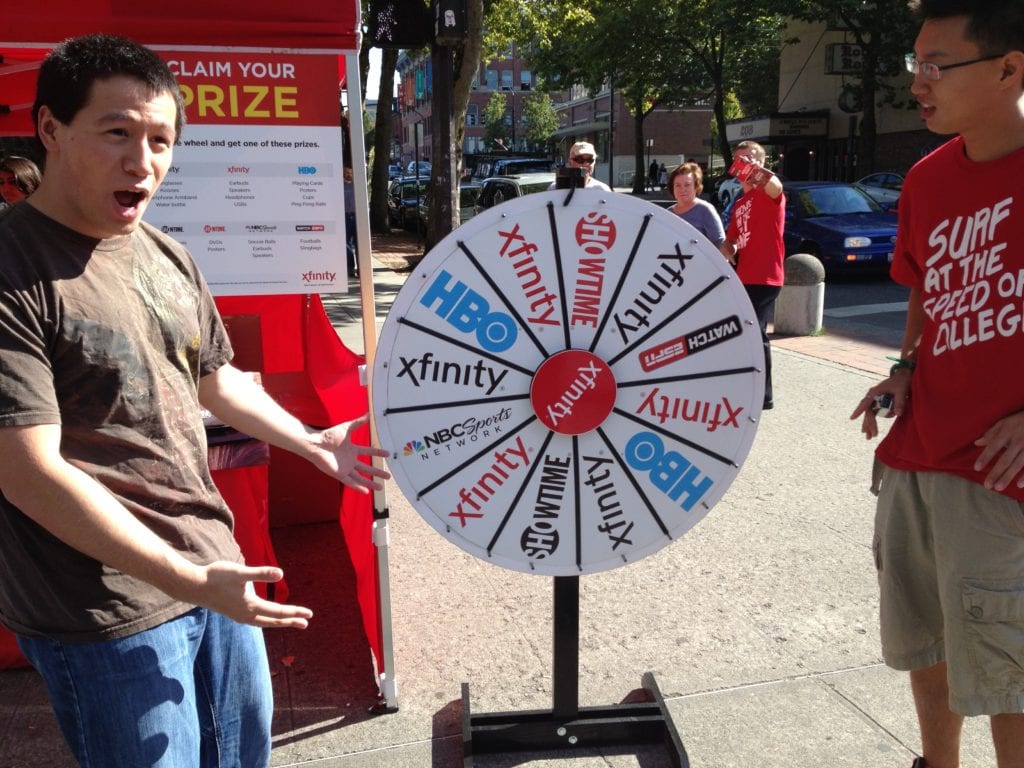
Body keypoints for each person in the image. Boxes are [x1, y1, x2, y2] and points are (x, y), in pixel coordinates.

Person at [0, 34, 390, 768]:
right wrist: (187, 580)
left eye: (160, 139)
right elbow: (26, 471)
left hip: (214, 568)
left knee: (244, 757)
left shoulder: (164, 250)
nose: (142, 162)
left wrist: (315, 442)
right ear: (50, 128)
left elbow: (216, 381)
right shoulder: (13, 271)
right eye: (116, 133)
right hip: (104, 611)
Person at [850, 3, 1024, 767]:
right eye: (914, 63)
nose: (919, 82)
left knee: (1008, 668)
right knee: (927, 637)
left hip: (998, 472)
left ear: (1010, 67)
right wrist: (905, 368)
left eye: (937, 64)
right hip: (916, 453)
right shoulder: (925, 178)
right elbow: (924, 287)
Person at [722, 140, 785, 410]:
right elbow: (732, 239)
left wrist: (755, 172)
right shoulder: (740, 203)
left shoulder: (767, 192)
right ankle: (747, 388)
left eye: (750, 158)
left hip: (765, 276)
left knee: (756, 334)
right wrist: (726, 248)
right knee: (744, 334)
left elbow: (776, 186)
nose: (743, 164)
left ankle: (764, 396)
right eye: (739, 160)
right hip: (745, 276)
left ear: (762, 162)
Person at [665, 162, 733, 263]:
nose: (682, 189)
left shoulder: (705, 210)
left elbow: (720, 245)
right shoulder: (667, 214)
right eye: (678, 185)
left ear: (696, 186)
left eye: (687, 185)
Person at [343, 165, 358, 278]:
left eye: (351, 173)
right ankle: (350, 269)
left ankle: (362, 269)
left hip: (357, 217)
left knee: (359, 244)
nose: (349, 174)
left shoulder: (357, 186)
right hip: (345, 217)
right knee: (347, 244)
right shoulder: (340, 186)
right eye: (347, 172)